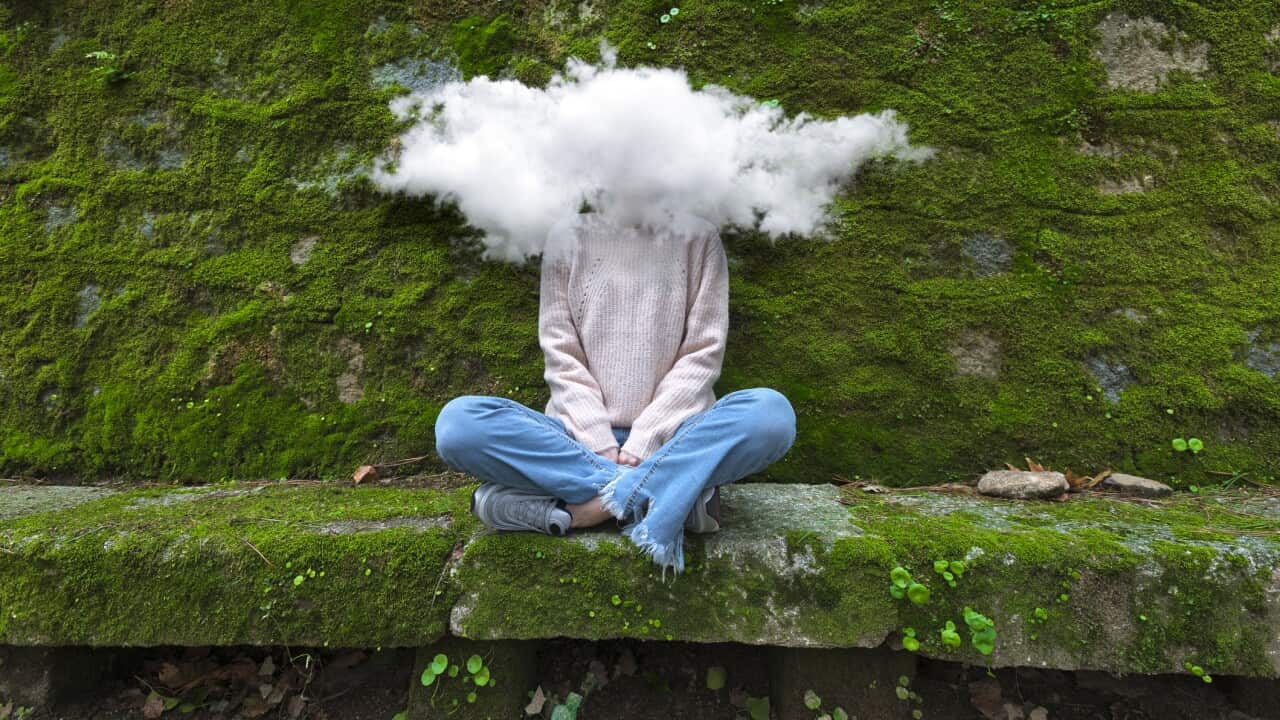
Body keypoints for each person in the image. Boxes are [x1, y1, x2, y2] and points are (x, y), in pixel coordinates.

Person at [434, 207, 797, 579]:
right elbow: (562, 356)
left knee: (770, 416)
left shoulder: (699, 238)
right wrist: (598, 440)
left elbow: (702, 355)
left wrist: (646, 440)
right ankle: (674, 494)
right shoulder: (567, 237)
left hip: (676, 438)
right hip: (573, 442)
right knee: (459, 425)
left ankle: (585, 511)